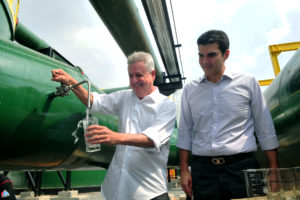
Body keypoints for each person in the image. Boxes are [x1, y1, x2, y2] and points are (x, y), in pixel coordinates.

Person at [51, 51, 176, 200]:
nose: (134, 80)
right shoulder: (125, 97)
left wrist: (115, 137)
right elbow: (93, 101)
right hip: (116, 190)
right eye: (131, 76)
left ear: (152, 74)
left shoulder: (166, 105)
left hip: (149, 193)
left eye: (139, 75)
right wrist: (72, 81)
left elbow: (152, 139)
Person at [176, 30, 279, 200]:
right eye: (201, 55)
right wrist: (184, 170)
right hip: (203, 173)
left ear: (226, 54)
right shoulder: (190, 89)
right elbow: (185, 132)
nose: (205, 61)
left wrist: (274, 170)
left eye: (211, 55)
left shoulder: (248, 82)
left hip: (242, 169)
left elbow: (264, 127)